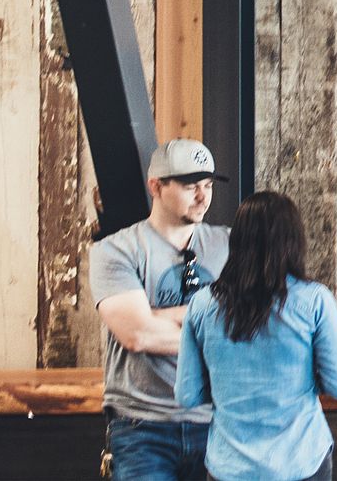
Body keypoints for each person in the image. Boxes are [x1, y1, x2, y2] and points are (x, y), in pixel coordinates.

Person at [176, 192, 337, 481]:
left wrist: (229, 385)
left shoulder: (202, 304)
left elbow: (187, 394)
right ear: (294, 241)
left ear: (237, 241)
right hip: (301, 461)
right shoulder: (314, 301)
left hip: (229, 466)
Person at [91, 138, 231, 481]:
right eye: (190, 186)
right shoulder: (116, 250)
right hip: (142, 426)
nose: (203, 197)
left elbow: (250, 322)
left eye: (208, 185)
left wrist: (155, 314)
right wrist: (212, 323)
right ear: (156, 186)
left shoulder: (231, 244)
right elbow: (137, 334)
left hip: (217, 422)